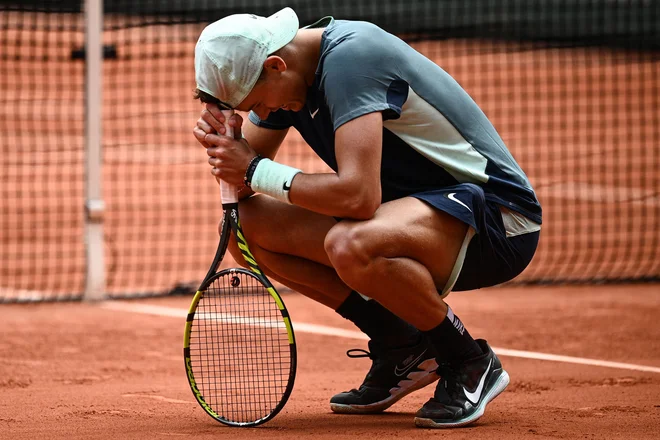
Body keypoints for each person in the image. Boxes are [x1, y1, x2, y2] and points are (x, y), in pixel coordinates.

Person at [192, 7, 541, 428]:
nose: (261, 113)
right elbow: (246, 185)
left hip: (497, 221)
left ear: (275, 65)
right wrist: (226, 145)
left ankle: (467, 359)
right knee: (246, 228)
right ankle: (402, 347)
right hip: (412, 215)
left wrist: (249, 168)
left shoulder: (350, 63)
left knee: (350, 244)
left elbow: (358, 197)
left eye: (256, 104)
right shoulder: (288, 78)